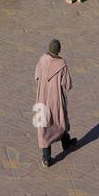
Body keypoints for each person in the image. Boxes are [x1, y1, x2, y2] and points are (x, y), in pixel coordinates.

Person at [34, 39, 77, 167]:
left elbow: (36, 77)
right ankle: (64, 145)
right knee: (60, 120)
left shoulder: (41, 61)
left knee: (44, 127)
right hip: (56, 99)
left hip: (42, 98)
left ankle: (48, 156)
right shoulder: (62, 65)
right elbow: (68, 85)